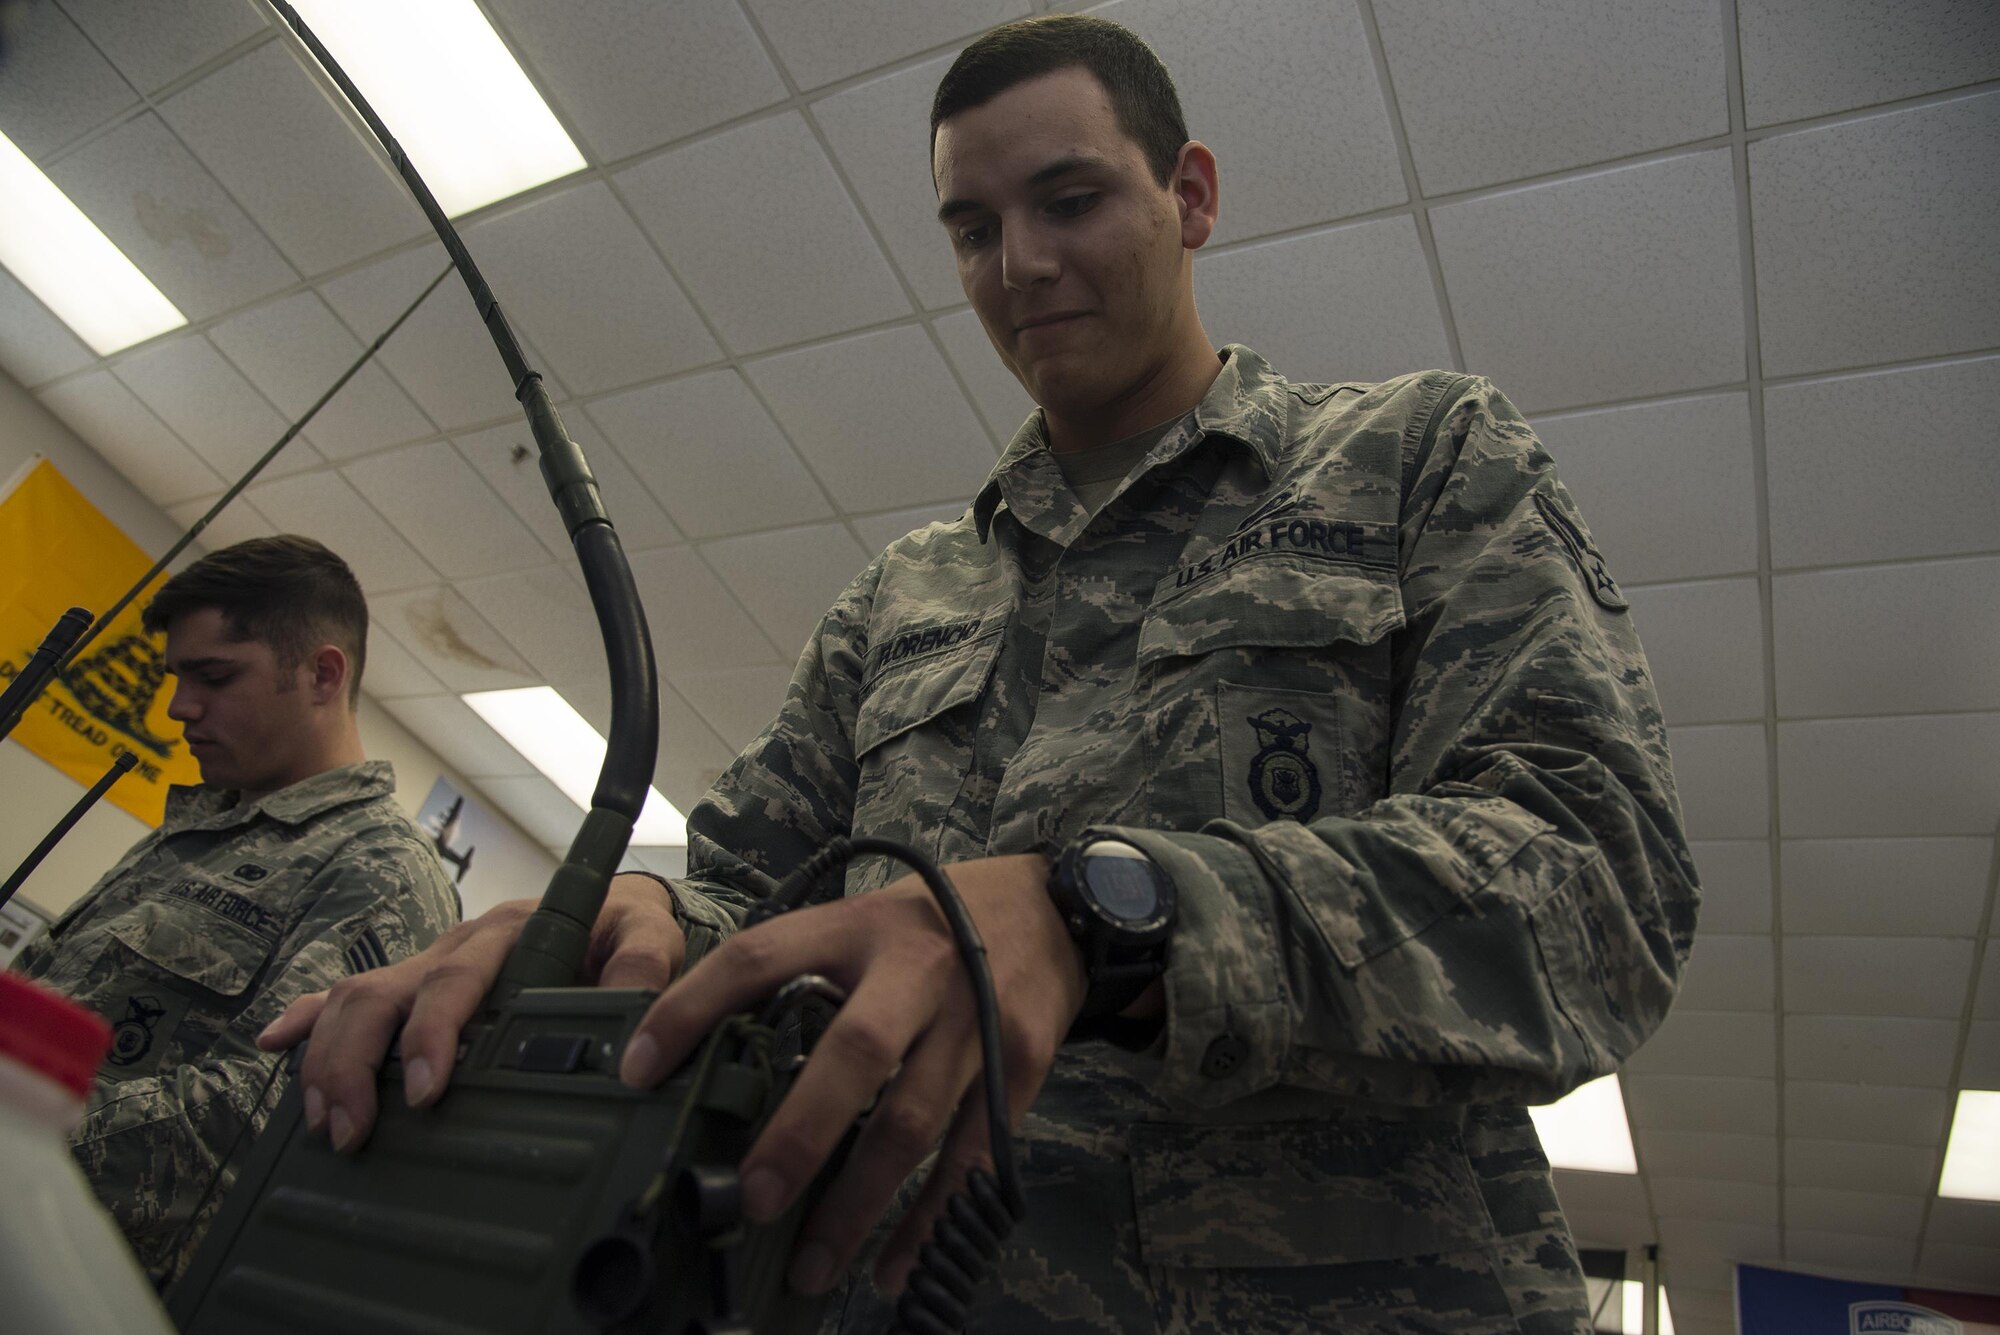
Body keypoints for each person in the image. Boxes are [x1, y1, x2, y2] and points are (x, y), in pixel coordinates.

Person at [263, 16, 1698, 1332]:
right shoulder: (904, 593)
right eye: (972, 227)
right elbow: (747, 889)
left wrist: (1111, 915)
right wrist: (627, 914)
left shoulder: (1415, 457)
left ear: (1189, 196)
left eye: (1068, 201)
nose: (1017, 264)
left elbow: (1598, 882)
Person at [12, 535, 460, 1288]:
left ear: (322, 673)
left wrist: (15, 1132)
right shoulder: (197, 827)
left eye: (214, 676)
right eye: (177, 677)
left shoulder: (381, 872)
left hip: (74, 1278)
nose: (180, 707)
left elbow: (253, 1117)